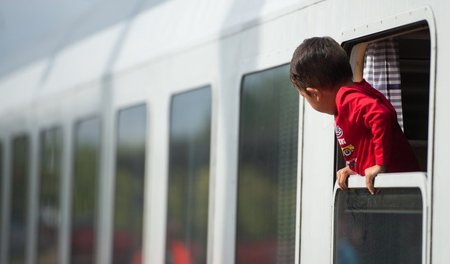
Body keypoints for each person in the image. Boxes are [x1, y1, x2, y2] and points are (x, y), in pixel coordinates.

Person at [289, 36, 420, 194]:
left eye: (305, 97)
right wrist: (355, 168)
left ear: (315, 94)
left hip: (400, 190)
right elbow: (366, 140)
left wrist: (380, 165)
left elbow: (381, 115)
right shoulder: (353, 94)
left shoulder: (347, 99)